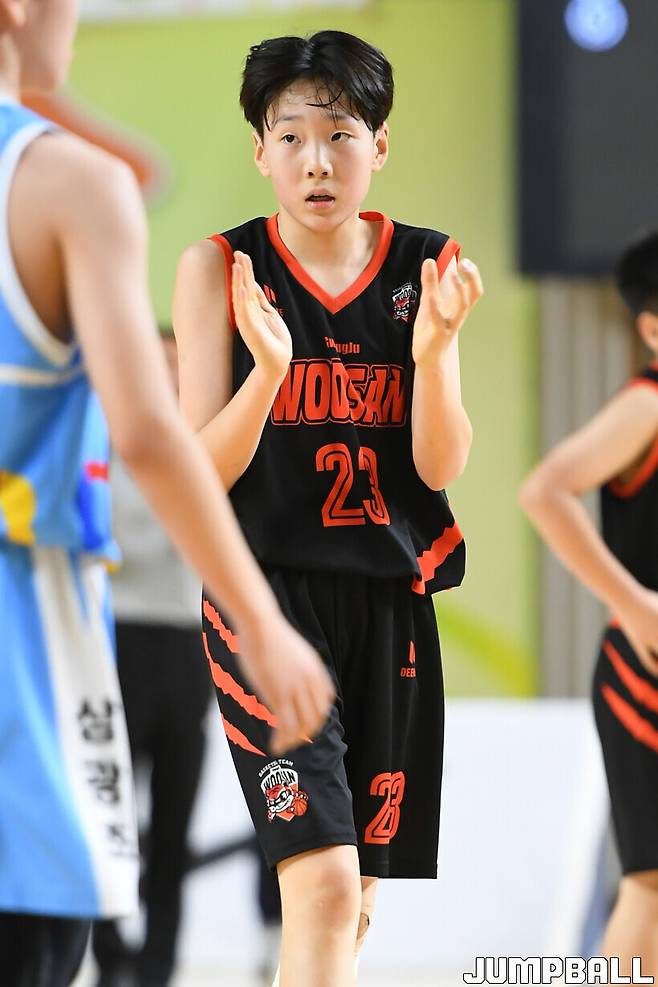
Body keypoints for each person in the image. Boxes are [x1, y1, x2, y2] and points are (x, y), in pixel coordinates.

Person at [0, 5, 334, 986]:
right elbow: (147, 434)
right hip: (28, 658)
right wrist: (261, 619)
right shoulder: (68, 182)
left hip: (139, 638)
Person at [173, 30, 482, 986]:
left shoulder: (426, 265)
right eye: (292, 137)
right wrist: (269, 374)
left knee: (355, 901)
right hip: (265, 602)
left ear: (378, 146)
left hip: (390, 601)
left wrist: (434, 354)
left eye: (340, 134)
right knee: (322, 887)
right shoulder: (218, 267)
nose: (316, 160)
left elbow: (440, 463)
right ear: (259, 151)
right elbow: (196, 470)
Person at [519, 232, 658, 977]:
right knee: (650, 881)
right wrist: (633, 602)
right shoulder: (646, 405)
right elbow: (544, 491)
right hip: (645, 675)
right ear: (652, 327)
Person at [91, 333, 210, 987]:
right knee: (109, 811)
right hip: (117, 642)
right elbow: (110, 541)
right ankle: (110, 953)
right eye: (157, 365)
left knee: (174, 818)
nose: (168, 378)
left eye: (178, 366)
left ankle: (160, 963)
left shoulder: (207, 449)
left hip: (186, 646)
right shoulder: (107, 444)